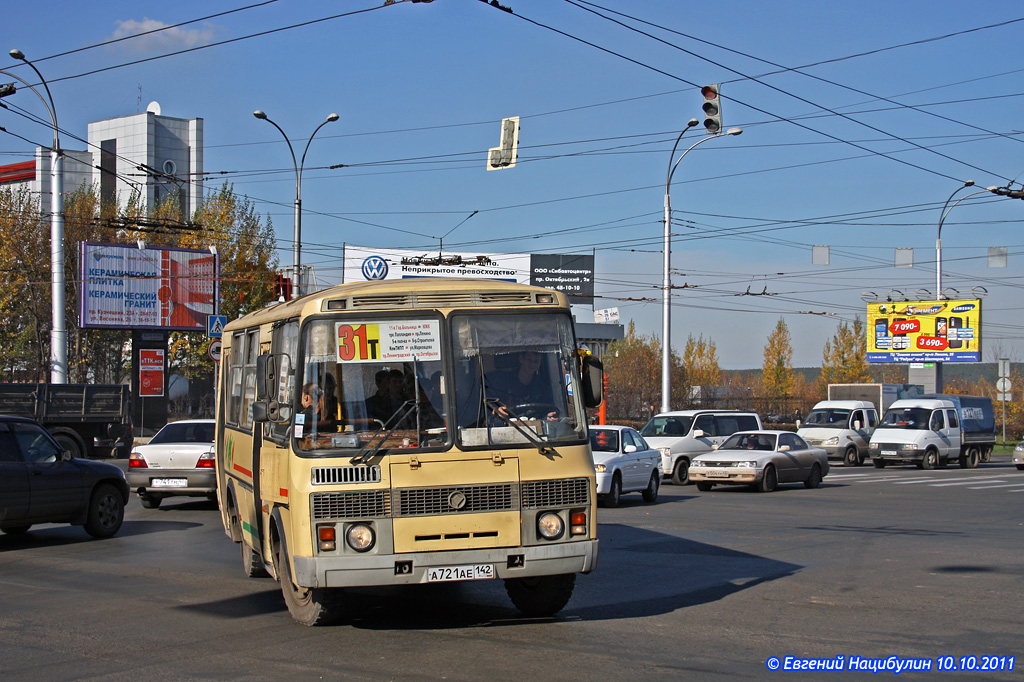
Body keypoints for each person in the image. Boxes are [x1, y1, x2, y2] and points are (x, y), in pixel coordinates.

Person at [486, 350, 559, 420]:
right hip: (508, 425)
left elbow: (548, 408)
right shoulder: (504, 381)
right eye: (529, 360)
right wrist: (496, 409)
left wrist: (549, 415)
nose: (532, 365)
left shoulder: (543, 385)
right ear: (521, 359)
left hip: (536, 426)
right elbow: (492, 405)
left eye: (536, 361)